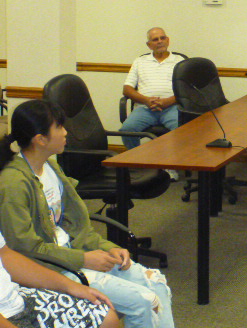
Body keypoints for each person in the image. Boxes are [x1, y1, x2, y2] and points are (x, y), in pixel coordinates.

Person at [0, 100, 175, 328]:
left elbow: (78, 227)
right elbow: (25, 248)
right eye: (59, 127)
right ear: (40, 139)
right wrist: (84, 259)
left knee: (157, 283)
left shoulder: (51, 167)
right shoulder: (14, 183)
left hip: (76, 253)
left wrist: (107, 247)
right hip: (55, 267)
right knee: (143, 301)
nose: (66, 132)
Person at [0, 233, 118, 328]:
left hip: (14, 299)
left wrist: (69, 286)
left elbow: (5, 255)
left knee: (105, 319)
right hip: (5, 315)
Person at [119, 27, 183, 180]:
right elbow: (127, 89)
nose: (160, 41)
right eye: (155, 39)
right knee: (127, 130)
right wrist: (146, 101)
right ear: (149, 45)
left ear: (168, 40)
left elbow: (187, 89)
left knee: (182, 130)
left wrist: (168, 101)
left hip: (172, 107)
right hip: (145, 108)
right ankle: (140, 164)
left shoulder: (180, 61)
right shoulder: (140, 61)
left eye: (162, 38)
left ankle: (170, 166)